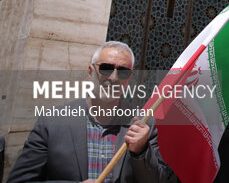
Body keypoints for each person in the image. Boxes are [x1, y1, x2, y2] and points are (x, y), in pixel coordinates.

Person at [8, 41, 173, 183]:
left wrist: (141, 151)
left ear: (129, 78)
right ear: (90, 72)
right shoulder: (52, 122)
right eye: (106, 68)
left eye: (122, 71)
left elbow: (159, 180)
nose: (114, 78)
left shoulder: (142, 125)